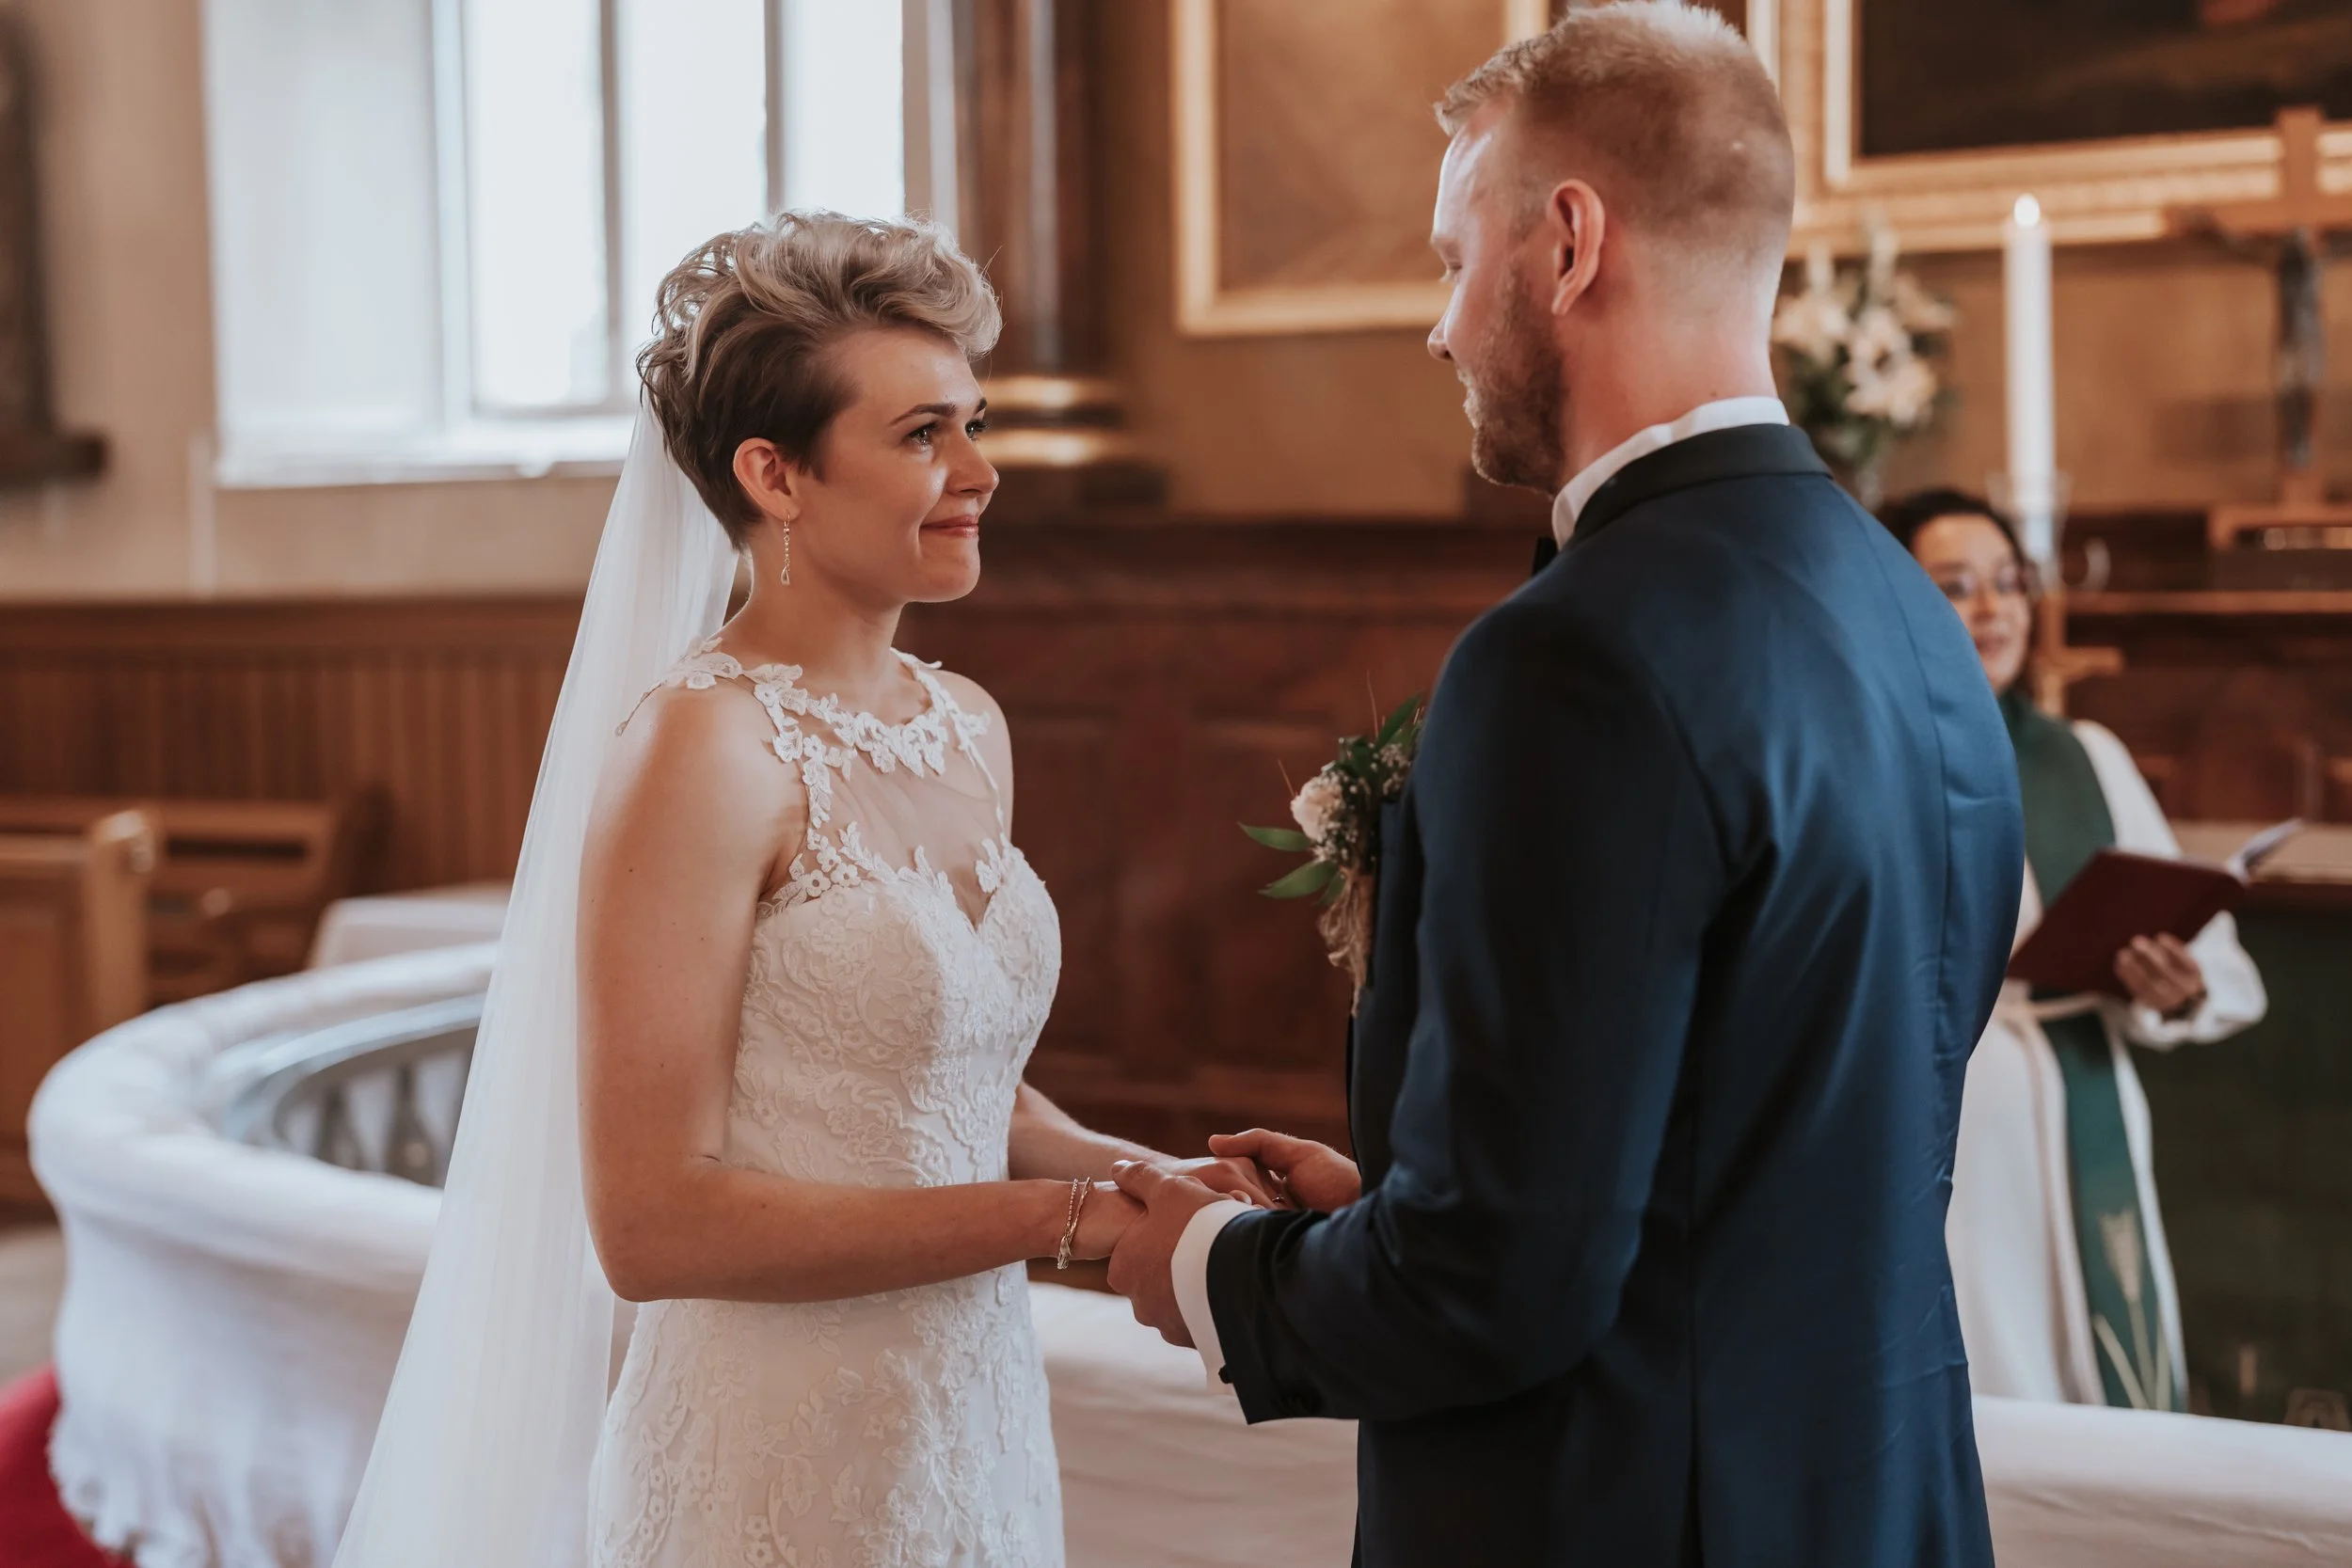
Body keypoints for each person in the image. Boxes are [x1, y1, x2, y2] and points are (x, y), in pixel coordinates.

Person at [1104, 5, 2024, 1564]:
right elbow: (1751, 1150)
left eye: (1455, 259)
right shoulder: (1905, 615)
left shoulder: (1575, 659)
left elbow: (1501, 1286)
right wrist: (1385, 1206)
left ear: (1569, 243)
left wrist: (1213, 1266)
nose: (1441, 325)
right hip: (1870, 1500)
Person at [330, 212, 1271, 1568]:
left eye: (975, 421)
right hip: (769, 1460)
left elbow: (947, 1082)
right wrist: (1061, 1221)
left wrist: (1147, 1175)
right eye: (921, 435)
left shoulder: (969, 724)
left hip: (970, 1417)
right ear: (773, 472)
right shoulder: (698, 746)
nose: (981, 471)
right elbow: (653, 1220)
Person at [1880, 486, 2266, 1412]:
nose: (1992, 607)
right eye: (1955, 584)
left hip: (2082, 1105)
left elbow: (2218, 963)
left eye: (2008, 581)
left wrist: (2172, 987)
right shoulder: (1865, 751)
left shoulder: (2083, 755)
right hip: (1944, 1134)